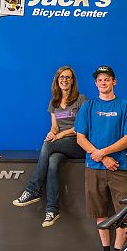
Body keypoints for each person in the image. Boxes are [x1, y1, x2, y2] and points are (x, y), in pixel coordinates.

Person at [74, 65, 127, 251]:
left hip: (118, 167)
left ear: (114, 82)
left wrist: (105, 154)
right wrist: (101, 157)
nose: (103, 83)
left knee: (124, 213)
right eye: (100, 80)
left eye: (107, 79)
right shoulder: (88, 107)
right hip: (94, 168)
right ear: (96, 83)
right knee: (100, 211)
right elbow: (80, 138)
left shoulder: (125, 105)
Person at [12, 66, 87, 227]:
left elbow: (82, 127)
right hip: (62, 145)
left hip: (79, 143)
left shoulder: (81, 99)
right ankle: (53, 210)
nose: (64, 80)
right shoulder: (54, 103)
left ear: (73, 81)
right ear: (57, 81)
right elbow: (55, 127)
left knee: (47, 146)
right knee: (53, 161)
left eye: (68, 77)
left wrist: (60, 135)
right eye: (61, 77)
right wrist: (52, 134)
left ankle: (33, 190)